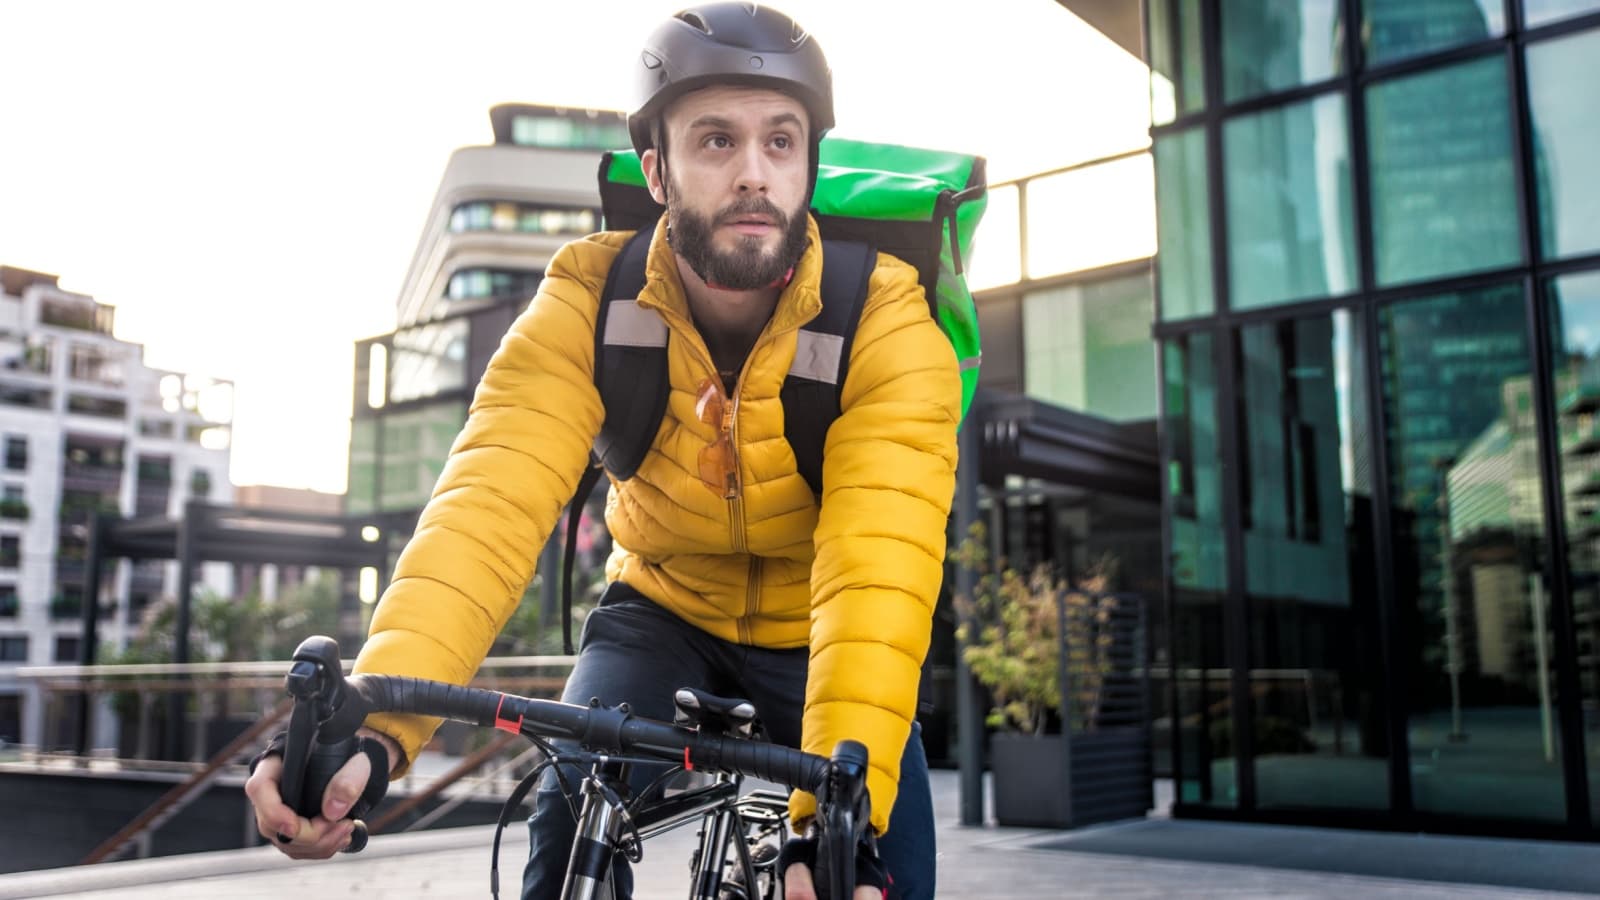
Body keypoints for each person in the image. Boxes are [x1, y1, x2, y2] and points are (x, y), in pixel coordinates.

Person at [244, 4, 959, 898]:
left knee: (874, 866)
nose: (753, 174)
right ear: (657, 170)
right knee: (566, 807)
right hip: (658, 606)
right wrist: (375, 735)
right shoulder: (589, 298)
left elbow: (875, 568)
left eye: (781, 142)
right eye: (714, 141)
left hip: (820, 630)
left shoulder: (886, 319)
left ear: (809, 161)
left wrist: (839, 826)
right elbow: (485, 512)